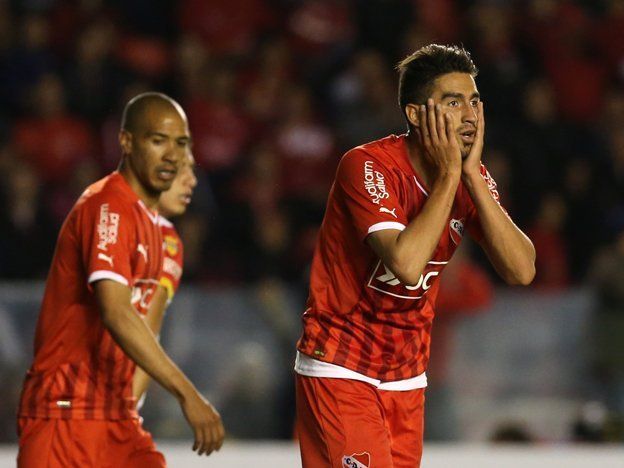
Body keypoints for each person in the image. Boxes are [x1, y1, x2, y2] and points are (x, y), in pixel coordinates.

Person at [294, 44, 536, 468]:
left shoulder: (471, 177)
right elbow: (406, 265)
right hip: (341, 368)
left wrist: (471, 177)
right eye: (453, 102)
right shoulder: (366, 166)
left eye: (474, 101)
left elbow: (522, 270)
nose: (469, 115)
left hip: (407, 378)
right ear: (416, 113)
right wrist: (451, 175)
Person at [17, 92, 224, 467]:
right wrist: (187, 393)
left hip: (116, 416)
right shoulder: (107, 206)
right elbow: (116, 311)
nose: (173, 157)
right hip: (66, 413)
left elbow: (148, 328)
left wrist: (131, 402)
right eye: (158, 140)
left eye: (181, 144)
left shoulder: (160, 234)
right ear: (126, 141)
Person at [133, 148, 198, 407]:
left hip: (112, 395)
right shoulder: (108, 219)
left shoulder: (169, 241)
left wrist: (128, 408)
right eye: (181, 172)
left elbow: (149, 331)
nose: (191, 181)